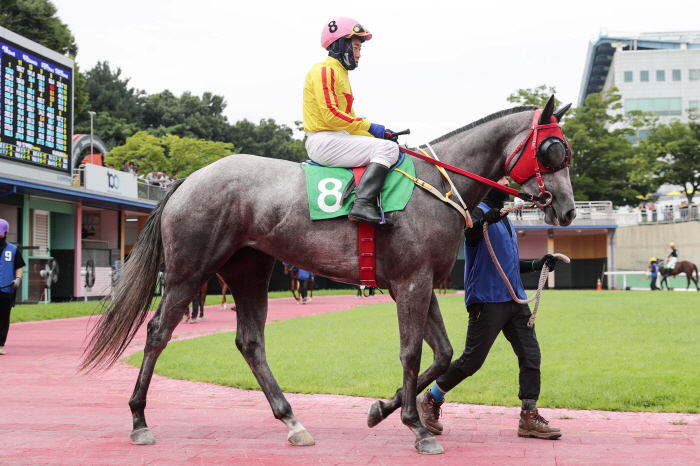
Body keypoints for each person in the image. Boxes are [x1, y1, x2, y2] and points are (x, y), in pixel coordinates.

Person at [416, 176, 562, 440]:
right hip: (487, 299)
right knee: (472, 361)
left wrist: (537, 264)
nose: (509, 185)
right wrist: (485, 220)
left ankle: (529, 417)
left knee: (531, 356)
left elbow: (509, 265)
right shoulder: (476, 211)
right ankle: (430, 399)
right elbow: (470, 233)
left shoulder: (504, 218)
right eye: (504, 180)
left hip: (515, 301)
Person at [303, 17, 400, 225]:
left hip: (337, 138)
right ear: (340, 45)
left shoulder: (341, 74)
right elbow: (331, 115)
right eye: (355, 47)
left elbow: (348, 123)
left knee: (388, 146)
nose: (358, 54)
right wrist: (372, 128)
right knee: (388, 151)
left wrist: (375, 133)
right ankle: (362, 205)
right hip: (324, 140)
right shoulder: (324, 70)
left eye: (360, 50)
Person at [0, 219, 25, 355]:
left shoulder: (13, 250)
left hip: (6, 290)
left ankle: (0, 344)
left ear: (6, 233)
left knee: (4, 318)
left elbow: (19, 267)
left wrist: (18, 279)